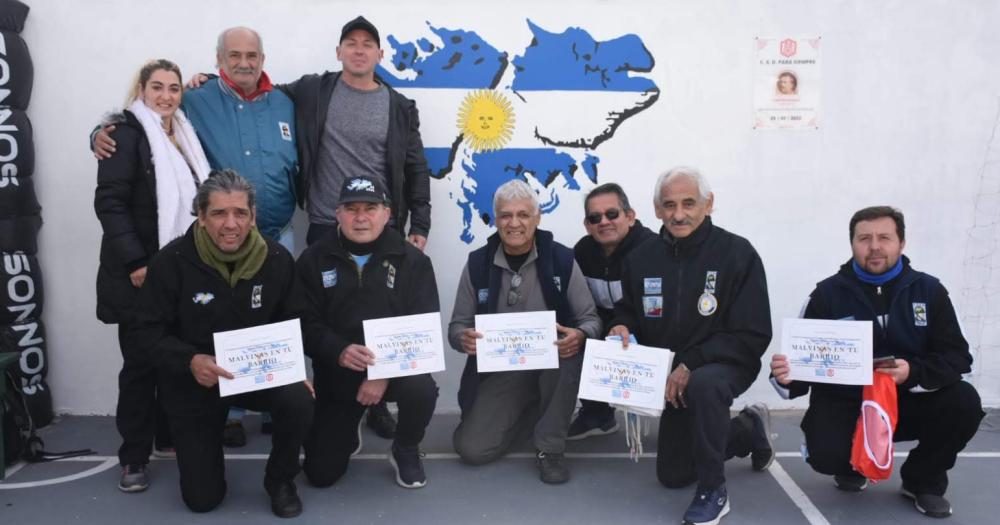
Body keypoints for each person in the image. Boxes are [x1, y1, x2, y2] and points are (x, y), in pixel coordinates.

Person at [94, 27, 298, 446]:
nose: (244, 62)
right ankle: (162, 442)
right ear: (219, 58)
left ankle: (268, 403)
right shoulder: (161, 117)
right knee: (166, 350)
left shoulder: (277, 103)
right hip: (182, 256)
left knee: (263, 324)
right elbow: (115, 189)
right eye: (234, 55)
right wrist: (97, 134)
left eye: (252, 54)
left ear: (263, 57)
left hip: (248, 245)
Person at [769, 206, 984, 519]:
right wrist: (786, 377)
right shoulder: (826, 295)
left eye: (884, 237)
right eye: (864, 238)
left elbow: (959, 359)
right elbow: (802, 368)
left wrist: (914, 372)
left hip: (910, 400)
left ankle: (923, 480)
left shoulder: (931, 291)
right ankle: (852, 464)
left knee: (964, 402)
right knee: (825, 455)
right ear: (852, 244)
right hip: (849, 404)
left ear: (901, 243)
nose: (874, 246)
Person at [278, 15, 432, 441]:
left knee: (382, 317)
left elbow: (416, 167)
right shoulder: (313, 89)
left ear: (380, 55)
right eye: (351, 42)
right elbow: (261, 95)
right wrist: (204, 81)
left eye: (368, 44)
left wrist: (420, 221)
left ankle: (377, 400)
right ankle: (328, 398)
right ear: (339, 52)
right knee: (324, 316)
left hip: (383, 226)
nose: (359, 49)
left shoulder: (398, 106)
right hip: (327, 222)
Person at [129, 170, 314, 517]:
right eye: (218, 213)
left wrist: (293, 367)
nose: (231, 224)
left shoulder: (276, 260)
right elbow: (144, 332)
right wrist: (189, 360)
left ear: (253, 216)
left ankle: (280, 479)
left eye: (240, 213)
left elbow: (295, 320)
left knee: (299, 398)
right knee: (202, 500)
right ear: (200, 216)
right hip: (195, 380)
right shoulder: (171, 262)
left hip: (255, 375)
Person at [608, 167, 774, 525]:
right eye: (669, 205)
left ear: (708, 204)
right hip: (671, 374)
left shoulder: (738, 254)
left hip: (725, 363)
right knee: (673, 474)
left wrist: (693, 362)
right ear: (656, 209)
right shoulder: (640, 258)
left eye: (689, 203)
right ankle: (746, 429)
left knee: (705, 383)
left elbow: (753, 332)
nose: (678, 214)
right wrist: (621, 325)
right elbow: (629, 310)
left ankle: (714, 490)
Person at [94, 58, 211, 493]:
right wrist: (136, 264)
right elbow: (111, 204)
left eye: (174, 88)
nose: (166, 96)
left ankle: (167, 435)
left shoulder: (182, 132)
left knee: (175, 358)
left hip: (179, 269)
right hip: (138, 273)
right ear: (141, 89)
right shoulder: (123, 134)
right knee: (141, 365)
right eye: (157, 87)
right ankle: (134, 457)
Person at [449, 179, 601, 484]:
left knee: (569, 355)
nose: (514, 223)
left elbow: (591, 320)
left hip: (553, 366)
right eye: (505, 215)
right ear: (495, 219)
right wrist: (462, 339)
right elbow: (457, 327)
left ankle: (550, 448)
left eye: (523, 215)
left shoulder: (561, 259)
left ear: (537, 217)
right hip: (503, 373)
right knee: (471, 449)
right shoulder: (477, 263)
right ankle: (531, 411)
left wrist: (580, 336)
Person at [296, 174, 439, 489]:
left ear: (387, 214)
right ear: (337, 214)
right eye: (351, 208)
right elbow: (302, 323)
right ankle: (349, 426)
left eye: (370, 208)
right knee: (320, 475)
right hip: (338, 373)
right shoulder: (313, 259)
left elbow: (423, 327)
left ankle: (406, 447)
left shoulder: (413, 261)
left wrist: (382, 372)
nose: (360, 217)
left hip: (394, 373)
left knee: (422, 389)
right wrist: (338, 350)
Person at [566, 183, 656, 440]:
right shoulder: (582, 252)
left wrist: (626, 326)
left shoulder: (654, 250)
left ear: (630, 215)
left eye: (612, 214)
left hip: (650, 334)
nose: (604, 222)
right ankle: (597, 415)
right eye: (595, 218)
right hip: (606, 332)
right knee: (574, 335)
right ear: (587, 224)